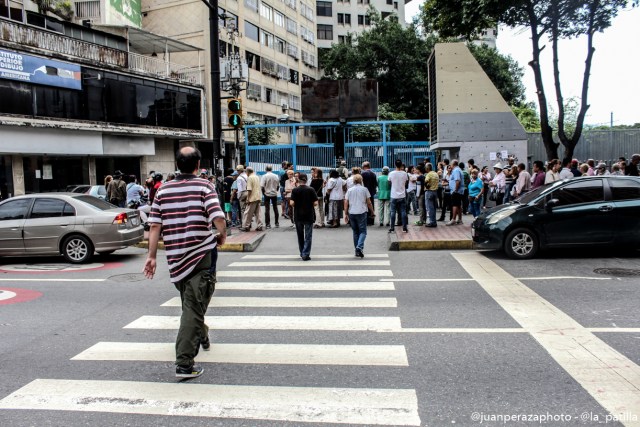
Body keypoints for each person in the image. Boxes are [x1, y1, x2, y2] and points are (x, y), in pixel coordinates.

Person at [143, 146, 226, 379]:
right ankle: (184, 363)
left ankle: (201, 334)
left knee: (191, 303)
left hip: (176, 258)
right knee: (193, 306)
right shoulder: (204, 186)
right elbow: (217, 216)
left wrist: (151, 256)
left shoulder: (164, 190)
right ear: (198, 165)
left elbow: (155, 225)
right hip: (201, 255)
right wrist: (222, 235)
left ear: (177, 164)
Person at [344, 174, 375, 258]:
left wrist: (346, 214)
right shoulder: (365, 189)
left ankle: (357, 251)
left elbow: (346, 202)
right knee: (363, 231)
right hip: (362, 212)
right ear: (361, 181)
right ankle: (359, 247)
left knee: (355, 232)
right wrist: (372, 212)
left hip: (352, 212)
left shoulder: (349, 190)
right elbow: (369, 202)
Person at [289, 173, 318, 261]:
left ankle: (302, 252)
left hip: (298, 215)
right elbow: (315, 203)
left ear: (298, 180)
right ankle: (306, 253)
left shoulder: (295, 190)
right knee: (308, 236)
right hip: (309, 215)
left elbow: (291, 203)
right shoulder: (311, 189)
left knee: (300, 235)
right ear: (306, 180)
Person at [240, 167, 263, 231]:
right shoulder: (256, 177)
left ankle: (246, 226)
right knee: (258, 213)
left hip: (252, 198)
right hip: (258, 197)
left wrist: (248, 198)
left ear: (247, 172)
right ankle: (260, 225)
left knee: (247, 213)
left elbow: (249, 190)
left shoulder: (250, 178)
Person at [388, 159, 409, 233]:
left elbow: (389, 183)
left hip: (393, 195)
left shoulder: (391, 173)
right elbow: (406, 183)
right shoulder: (404, 173)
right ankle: (404, 228)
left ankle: (392, 228)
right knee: (403, 211)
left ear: (395, 164)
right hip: (402, 195)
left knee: (393, 211)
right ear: (401, 165)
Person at [446, 160, 465, 226]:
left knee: (455, 205)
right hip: (458, 191)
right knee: (458, 205)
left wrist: (455, 190)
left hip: (457, 191)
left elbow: (457, 181)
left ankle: (453, 219)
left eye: (451, 164)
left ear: (453, 164)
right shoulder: (458, 170)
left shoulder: (456, 170)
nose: (450, 166)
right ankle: (459, 219)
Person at [361, 161, 377, 226]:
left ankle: (366, 220)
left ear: (364, 166)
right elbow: (375, 184)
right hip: (371, 192)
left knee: (364, 206)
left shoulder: (362, 174)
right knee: (371, 205)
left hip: (364, 192)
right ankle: (371, 220)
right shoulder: (373, 174)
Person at [424, 163, 439, 227]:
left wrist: (426, 186)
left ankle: (432, 222)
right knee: (433, 208)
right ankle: (434, 221)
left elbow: (426, 181)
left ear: (427, 168)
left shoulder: (429, 174)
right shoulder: (436, 174)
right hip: (435, 192)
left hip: (429, 192)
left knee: (430, 208)